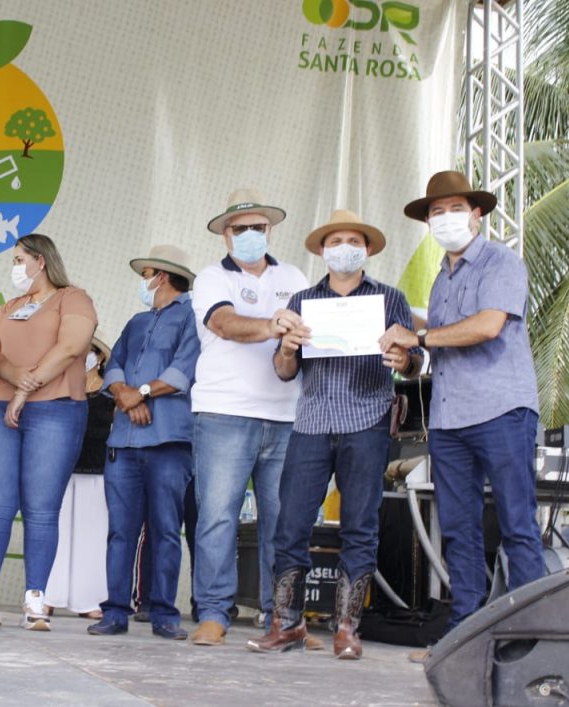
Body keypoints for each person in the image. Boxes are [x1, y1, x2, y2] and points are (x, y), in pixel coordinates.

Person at [246, 209, 422, 659]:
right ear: (323, 251)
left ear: (365, 248)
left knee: (360, 526)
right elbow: (285, 372)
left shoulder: (390, 298)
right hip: (311, 423)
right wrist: (286, 348)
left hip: (367, 420)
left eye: (352, 240)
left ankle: (347, 628)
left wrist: (403, 362)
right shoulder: (302, 301)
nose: (344, 248)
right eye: (335, 241)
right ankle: (286, 624)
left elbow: (412, 362)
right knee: (290, 525)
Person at [379, 171, 546, 643]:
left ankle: (530, 640)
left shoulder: (501, 262)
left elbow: (488, 325)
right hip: (450, 418)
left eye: (455, 209)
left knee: (517, 524)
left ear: (476, 214)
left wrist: (420, 336)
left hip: (502, 410)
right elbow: (432, 351)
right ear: (428, 222)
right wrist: (407, 357)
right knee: (457, 530)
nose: (445, 218)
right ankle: (462, 638)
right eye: (436, 212)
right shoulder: (439, 281)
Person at [189, 189, 309, 646]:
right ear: (225, 236)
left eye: (258, 228)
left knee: (283, 521)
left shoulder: (294, 276)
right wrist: (272, 325)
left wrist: (288, 337)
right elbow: (224, 324)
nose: (250, 235)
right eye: (240, 229)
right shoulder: (209, 279)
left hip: (285, 414)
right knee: (217, 517)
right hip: (223, 412)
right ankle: (215, 612)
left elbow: (303, 337)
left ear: (270, 231)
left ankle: (280, 618)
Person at [0, 233, 97, 631]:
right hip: (0, 411)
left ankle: (35, 599)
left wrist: (27, 388)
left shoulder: (72, 298)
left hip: (56, 410)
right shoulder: (10, 306)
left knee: (41, 510)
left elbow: (72, 347)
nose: (15, 267)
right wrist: (14, 379)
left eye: (20, 258)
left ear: (41, 261)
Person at [88, 245, 200, 641]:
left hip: (169, 442)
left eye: (146, 273)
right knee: (121, 531)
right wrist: (126, 394)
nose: (143, 282)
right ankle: (115, 610)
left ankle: (164, 612)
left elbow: (184, 369)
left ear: (163, 276)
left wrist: (143, 392)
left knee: (167, 529)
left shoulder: (193, 318)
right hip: (125, 441)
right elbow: (112, 364)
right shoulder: (136, 322)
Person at [45, 334, 113, 620]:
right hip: (59, 470)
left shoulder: (111, 393)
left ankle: (89, 600)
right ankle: (47, 596)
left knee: (92, 539)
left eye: (88, 351)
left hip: (97, 473)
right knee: (54, 536)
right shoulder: (59, 388)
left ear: (99, 357)